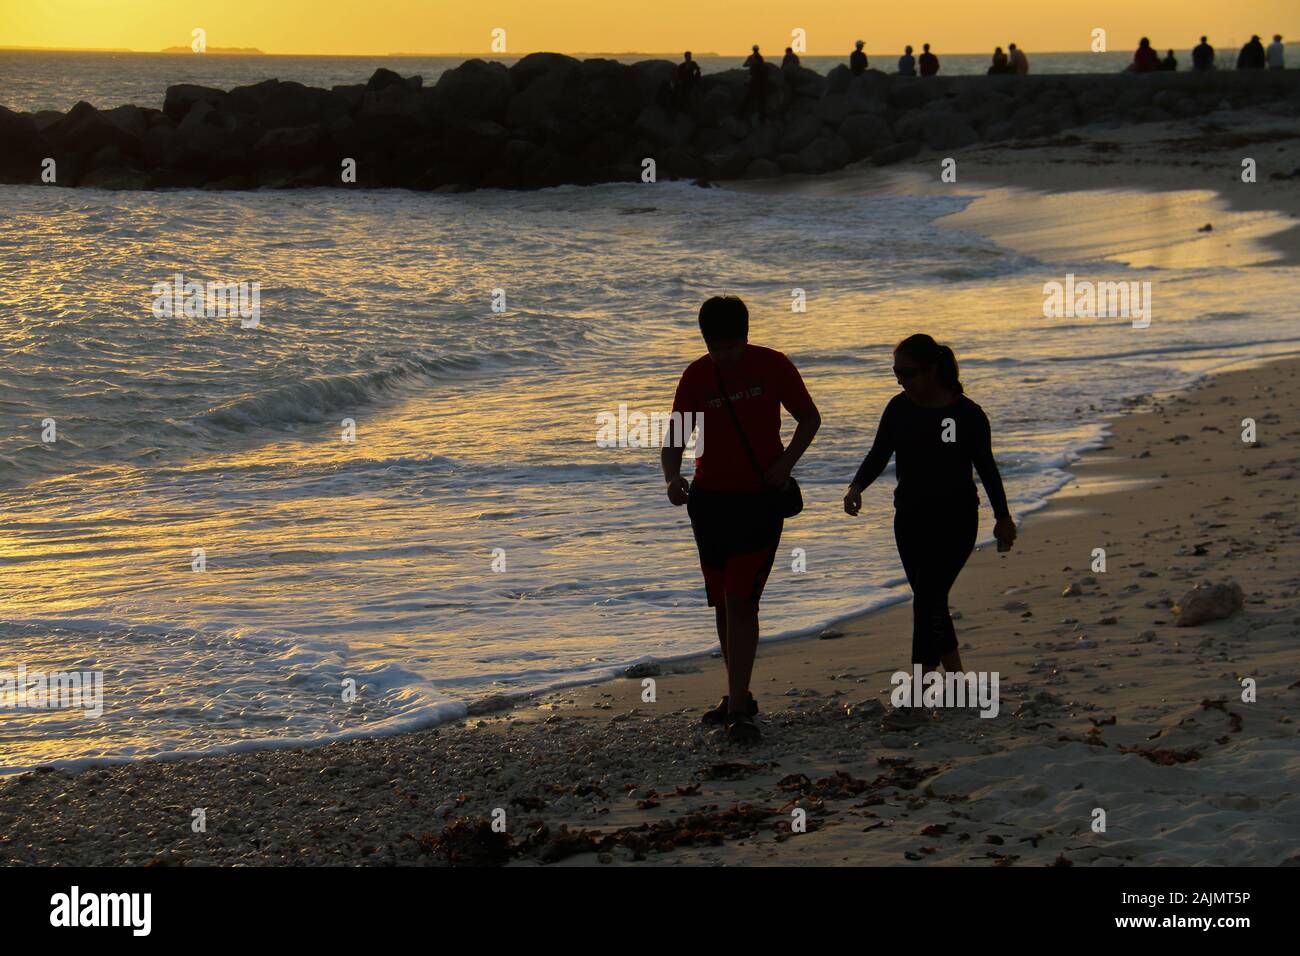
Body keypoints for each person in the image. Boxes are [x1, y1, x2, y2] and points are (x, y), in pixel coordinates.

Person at [665, 296, 820, 743]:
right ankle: (739, 694)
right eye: (716, 349)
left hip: (759, 501)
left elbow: (809, 418)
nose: (725, 358)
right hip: (709, 502)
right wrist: (672, 479)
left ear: (746, 338)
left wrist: (786, 463)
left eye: (731, 348)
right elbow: (675, 438)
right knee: (721, 601)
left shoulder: (773, 366)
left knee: (740, 599)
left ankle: (737, 708)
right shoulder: (697, 374)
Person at [842, 335, 1015, 694]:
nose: (901, 380)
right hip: (909, 519)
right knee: (931, 600)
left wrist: (1003, 517)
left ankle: (917, 697)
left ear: (932, 370)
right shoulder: (898, 408)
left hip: (956, 521)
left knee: (927, 599)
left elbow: (987, 468)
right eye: (896, 373)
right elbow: (879, 453)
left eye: (908, 373)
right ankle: (957, 684)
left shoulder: (967, 415)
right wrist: (856, 487)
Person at [740, 44, 768, 124]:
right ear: (758, 49)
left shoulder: (751, 57)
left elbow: (744, 65)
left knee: (748, 99)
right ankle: (762, 120)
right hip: (761, 82)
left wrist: (751, 64)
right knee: (761, 102)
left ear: (753, 49)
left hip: (754, 81)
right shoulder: (760, 58)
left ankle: (741, 115)